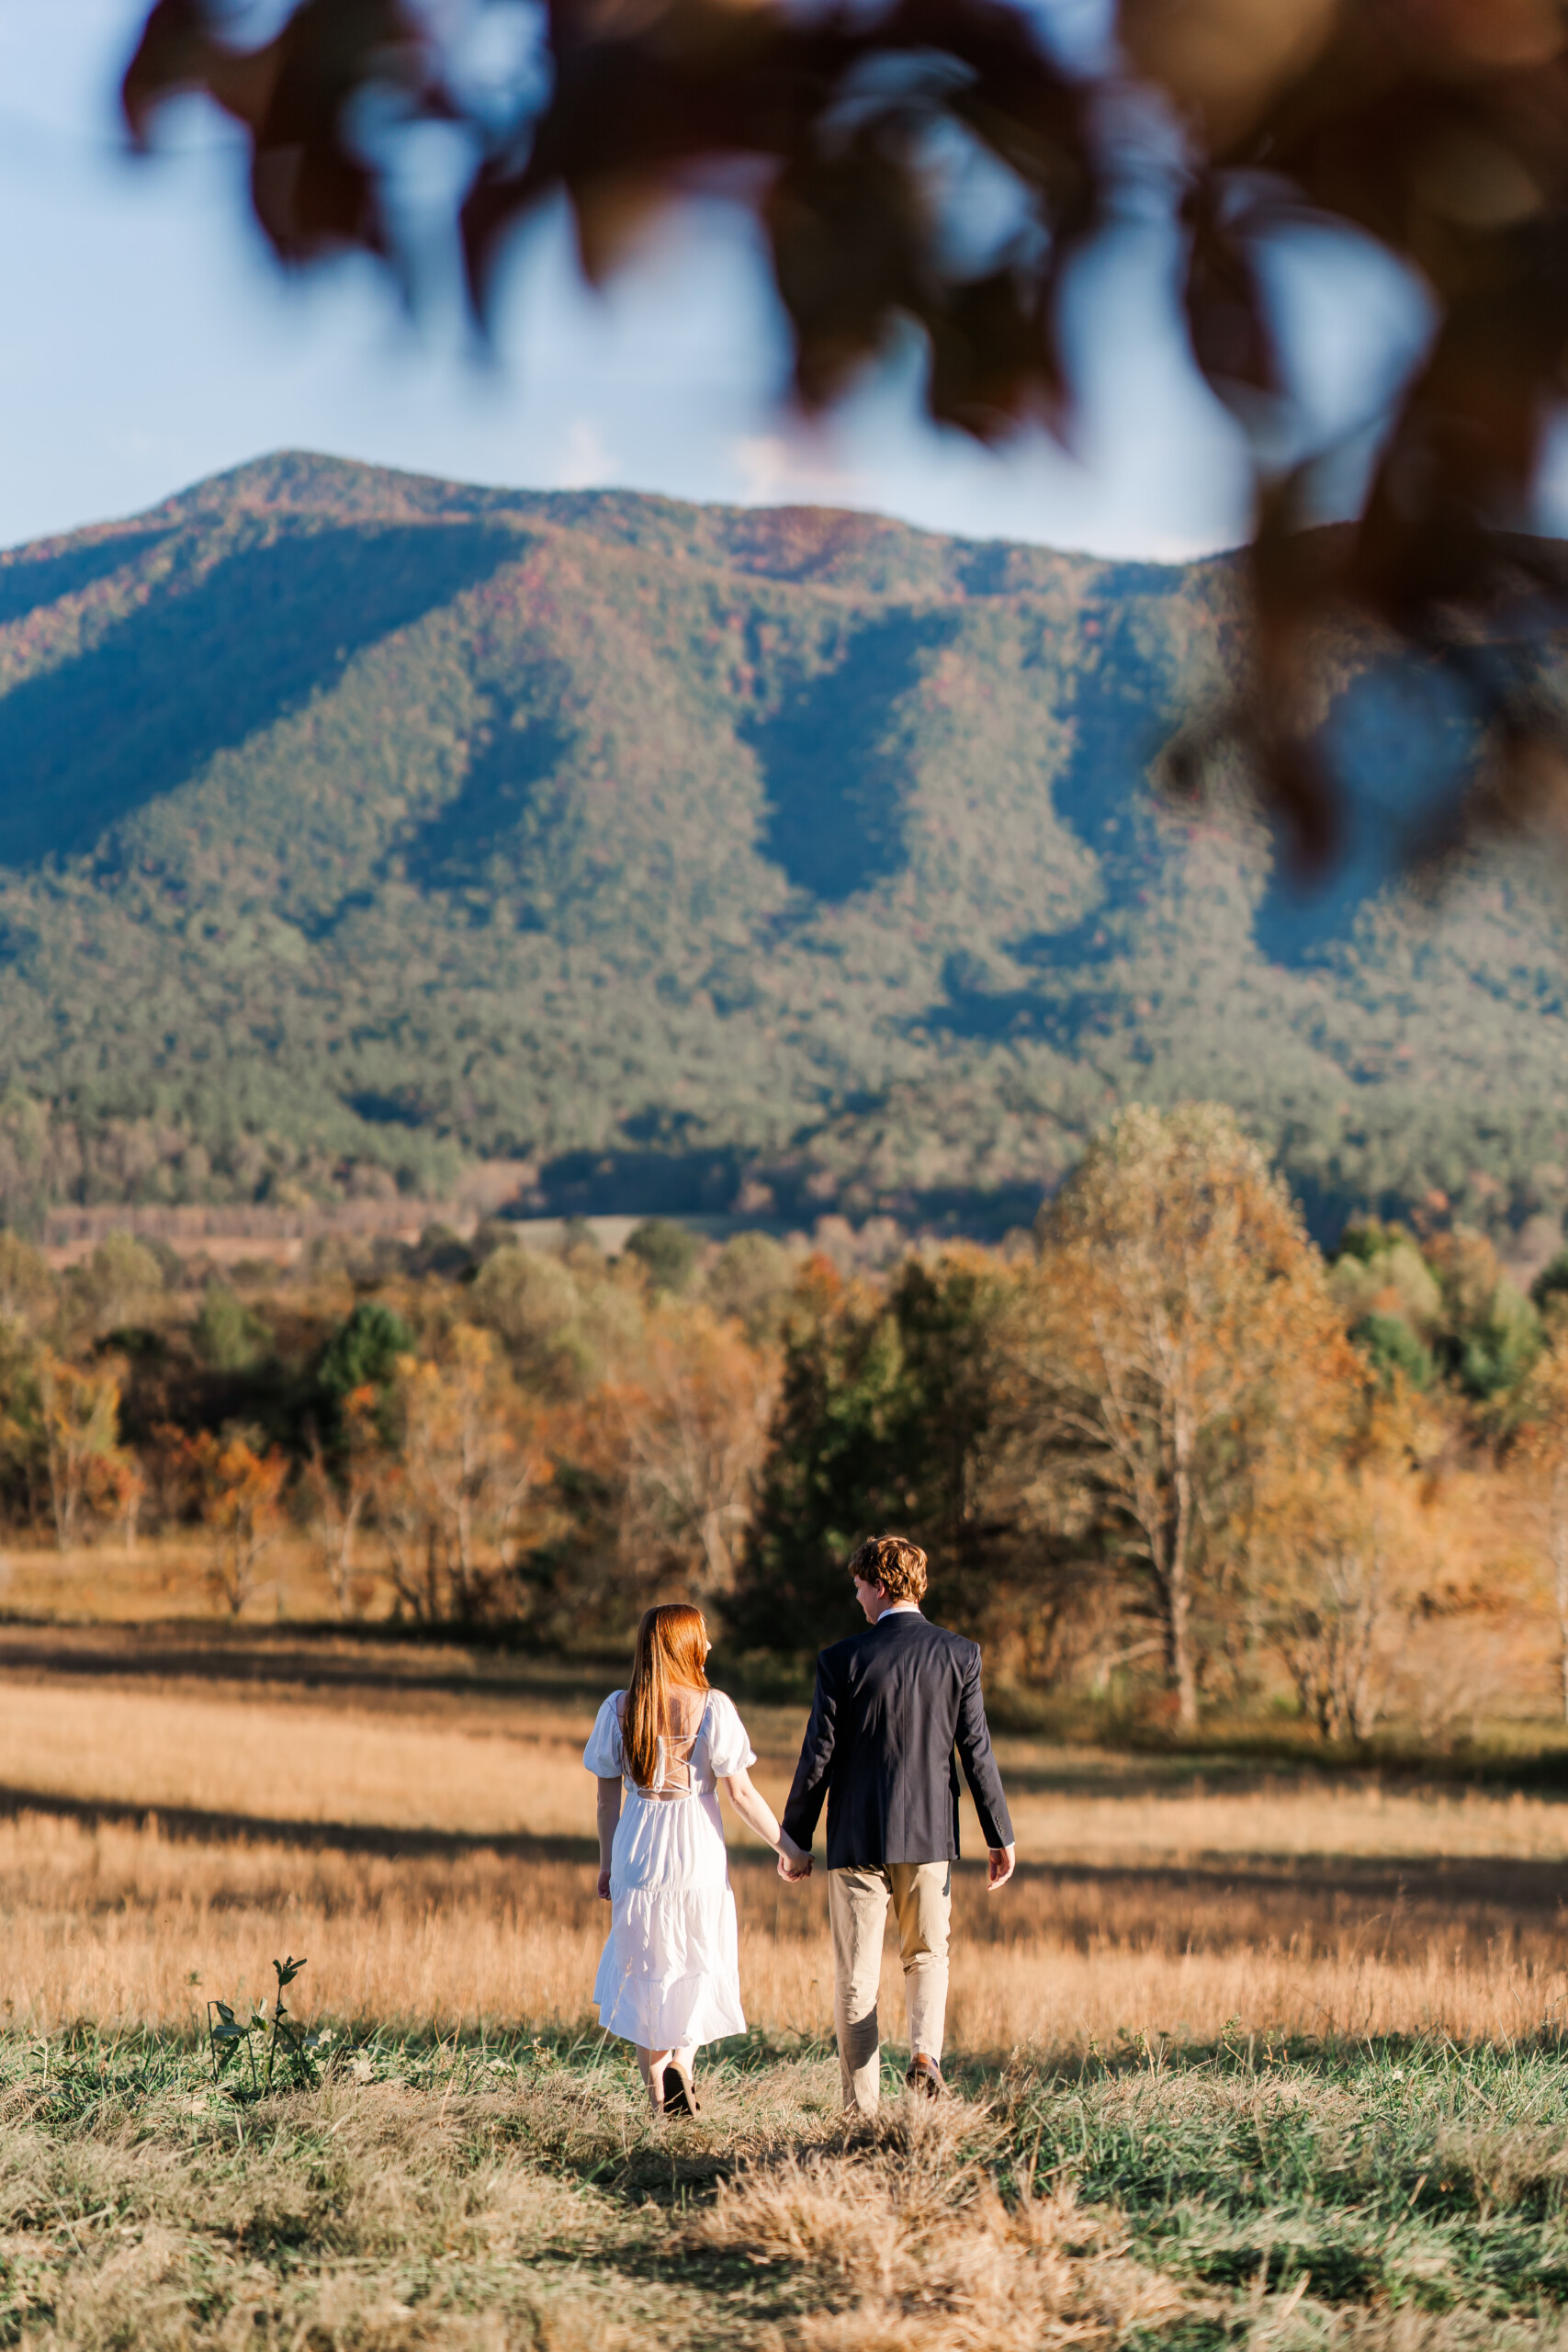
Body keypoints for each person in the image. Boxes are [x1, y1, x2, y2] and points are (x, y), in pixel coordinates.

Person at [777, 1533, 1015, 2113]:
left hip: (856, 1836)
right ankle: (925, 2058)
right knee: (928, 1955)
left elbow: (819, 1755)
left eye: (859, 1585)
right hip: (930, 1835)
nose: (856, 1596)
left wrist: (794, 1838)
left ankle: (862, 2114)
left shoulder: (841, 1660)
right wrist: (999, 1834)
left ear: (880, 1586)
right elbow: (975, 1751)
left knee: (856, 1979)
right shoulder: (960, 1655)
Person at [584, 1600, 808, 2117]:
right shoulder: (715, 1708)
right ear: (685, 1644)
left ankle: (660, 2094)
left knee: (645, 1972)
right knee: (698, 1958)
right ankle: (682, 2063)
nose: (709, 1644)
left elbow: (605, 1801)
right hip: (696, 1849)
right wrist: (790, 1850)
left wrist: (607, 1864)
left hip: (637, 1848)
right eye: (702, 1636)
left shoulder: (619, 1708)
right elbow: (743, 1796)